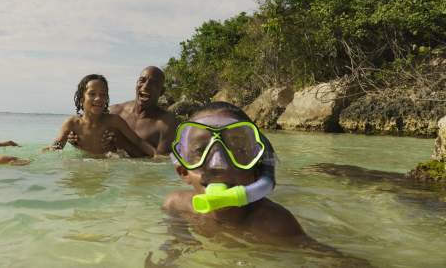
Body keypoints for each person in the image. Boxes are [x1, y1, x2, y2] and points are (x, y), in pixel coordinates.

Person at [163, 102, 304, 242]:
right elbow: (173, 245)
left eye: (238, 149)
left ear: (257, 168)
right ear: (183, 171)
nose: (218, 165)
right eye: (201, 150)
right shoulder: (177, 206)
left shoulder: (275, 225)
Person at [68, 66, 178, 156]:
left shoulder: (167, 123)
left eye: (153, 83)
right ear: (136, 84)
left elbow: (161, 163)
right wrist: (77, 139)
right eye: (142, 80)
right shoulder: (113, 111)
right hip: (111, 178)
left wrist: (123, 144)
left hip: (142, 180)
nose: (146, 86)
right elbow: (88, 129)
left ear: (162, 91)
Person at [47, 74, 157, 156]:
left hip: (107, 165)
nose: (98, 98)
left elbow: (138, 141)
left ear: (106, 99)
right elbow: (55, 147)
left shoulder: (114, 121)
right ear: (82, 99)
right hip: (84, 164)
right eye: (92, 94)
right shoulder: (72, 123)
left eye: (103, 94)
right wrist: (34, 159)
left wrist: (156, 155)